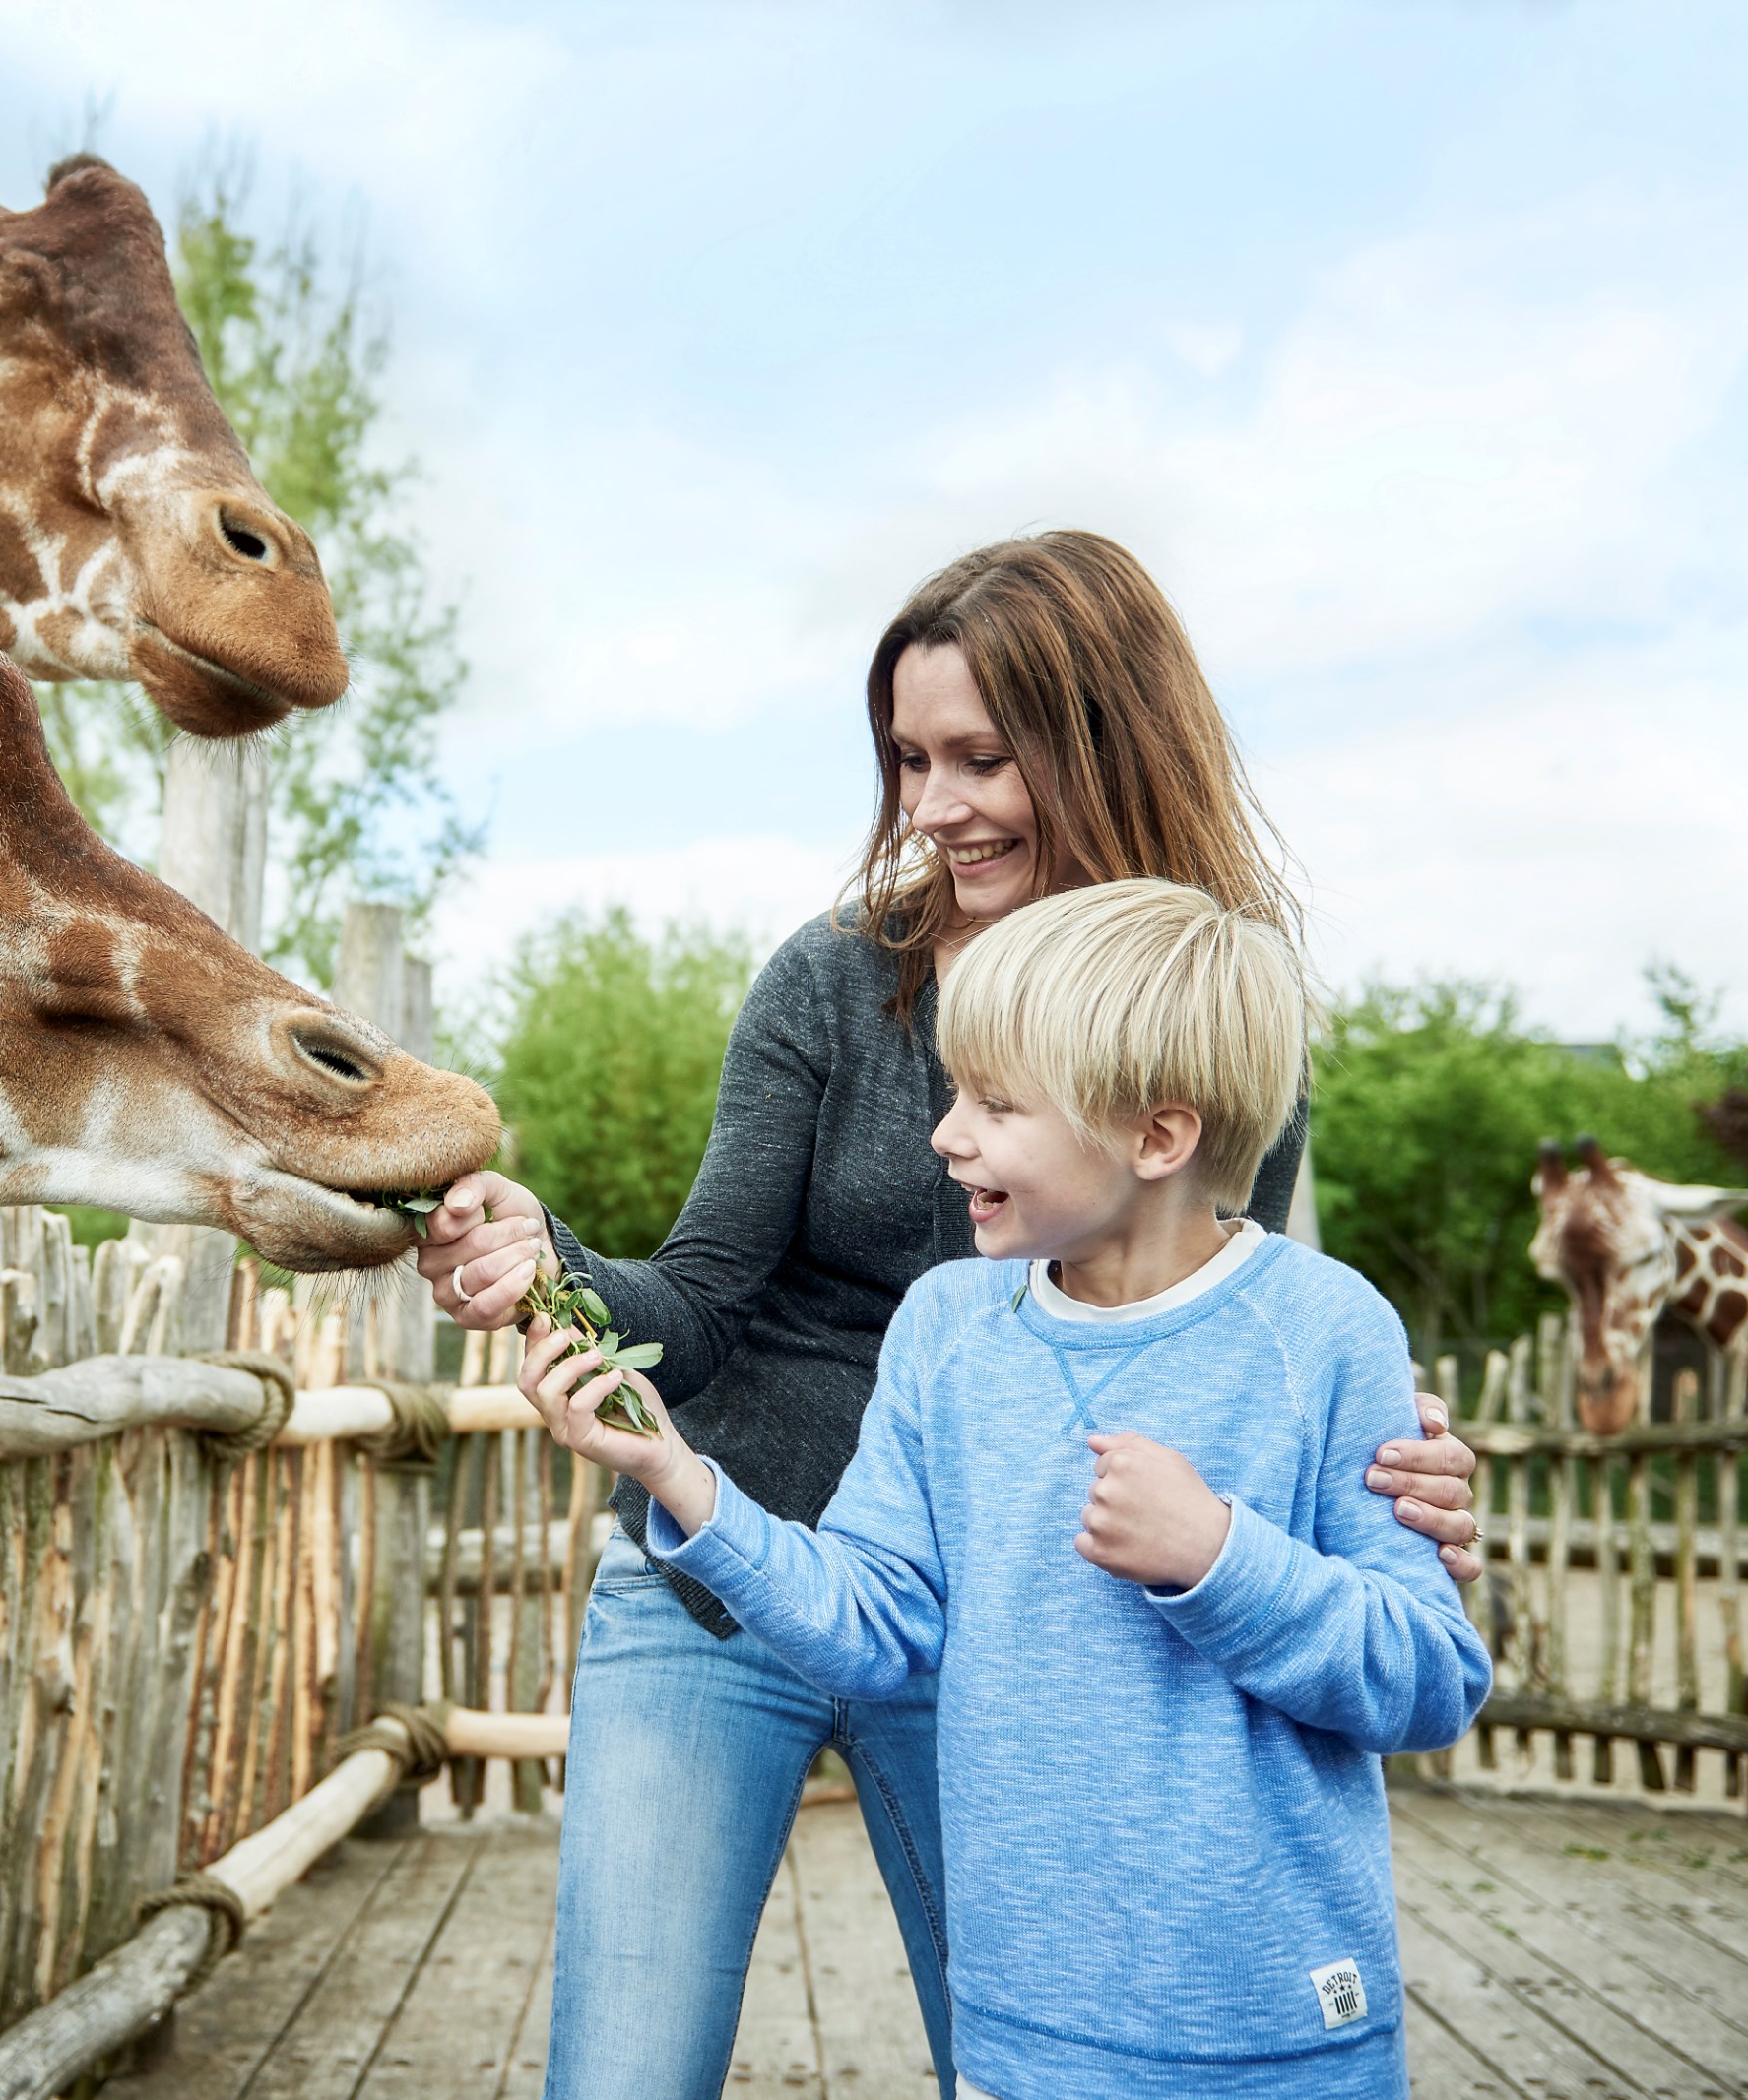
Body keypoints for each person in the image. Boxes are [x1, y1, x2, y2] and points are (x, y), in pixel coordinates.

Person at [411, 532, 1485, 2097]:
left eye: (982, 755)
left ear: (1104, 741)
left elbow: (1209, 1318)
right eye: (908, 758)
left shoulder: (1210, 1012)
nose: (930, 805)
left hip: (996, 1628)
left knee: (1023, 2050)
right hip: (732, 1576)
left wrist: (1381, 1471)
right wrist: (551, 1258)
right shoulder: (831, 983)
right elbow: (701, 1299)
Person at [532, 878, 1491, 2100]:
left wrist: (1218, 1558)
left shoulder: (1325, 1329)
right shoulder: (945, 1329)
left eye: (993, 1103)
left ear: (1157, 1137)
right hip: (1019, 2047)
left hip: (1275, 2040)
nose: (944, 1135)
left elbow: (1427, 1677)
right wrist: (677, 1473)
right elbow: (878, 1622)